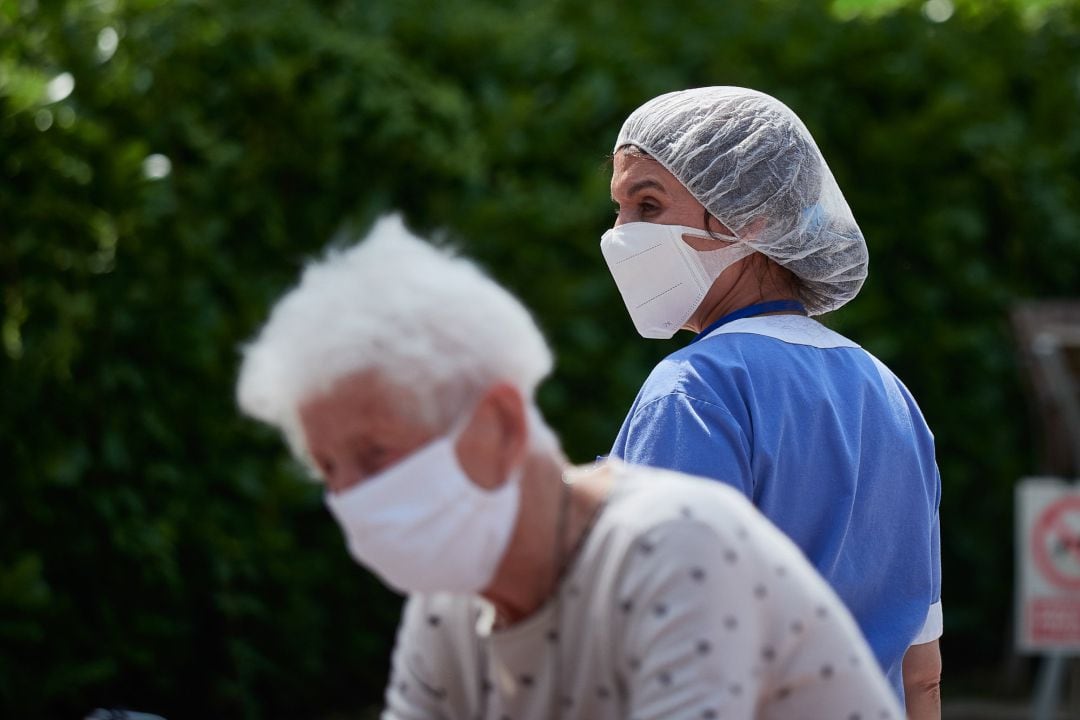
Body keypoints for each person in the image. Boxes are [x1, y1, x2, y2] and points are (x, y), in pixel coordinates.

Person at [236, 215, 903, 720]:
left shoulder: (674, 543)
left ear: (498, 424)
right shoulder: (447, 607)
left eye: (375, 455)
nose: (350, 497)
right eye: (328, 470)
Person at [601, 85, 942, 717]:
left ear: (749, 217)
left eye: (647, 205)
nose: (620, 235)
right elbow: (922, 674)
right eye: (619, 209)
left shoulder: (696, 391)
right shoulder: (890, 395)